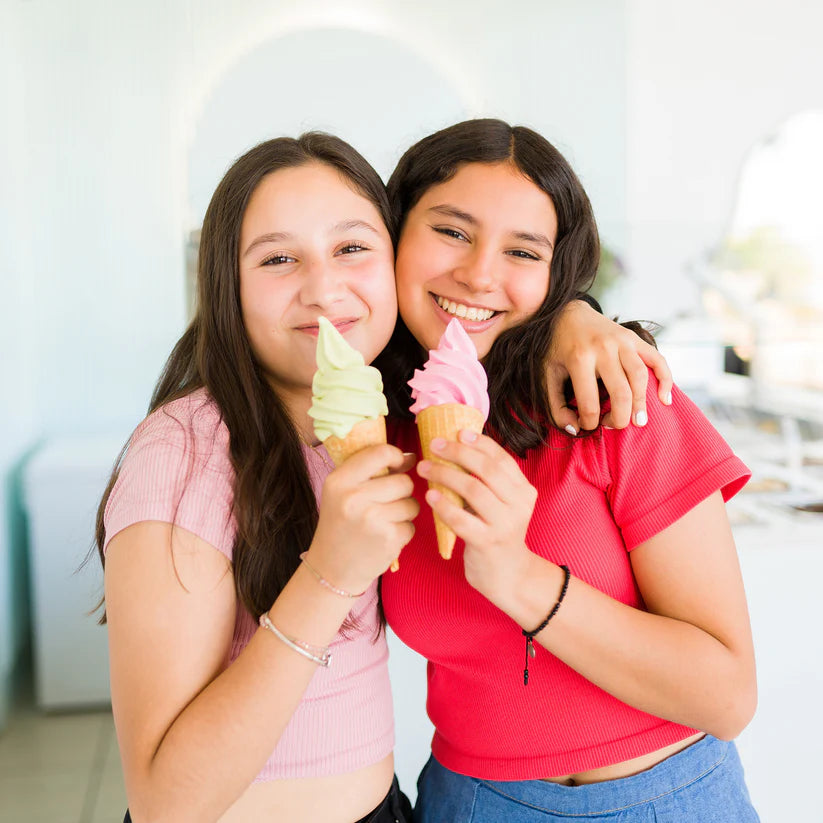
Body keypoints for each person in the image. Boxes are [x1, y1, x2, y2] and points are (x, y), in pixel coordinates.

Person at [95, 131, 671, 823]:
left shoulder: (389, 413)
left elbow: (479, 301)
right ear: (226, 283)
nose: (324, 288)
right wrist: (328, 573)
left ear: (392, 261)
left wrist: (571, 316)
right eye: (277, 258)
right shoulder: (183, 452)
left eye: (351, 248)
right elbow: (164, 803)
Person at [379, 119, 760, 822]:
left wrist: (519, 577)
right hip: (468, 801)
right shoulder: (370, 433)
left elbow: (727, 696)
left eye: (521, 250)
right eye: (452, 231)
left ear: (554, 272)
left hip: (662, 800)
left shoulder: (612, 395)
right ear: (392, 231)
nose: (479, 272)